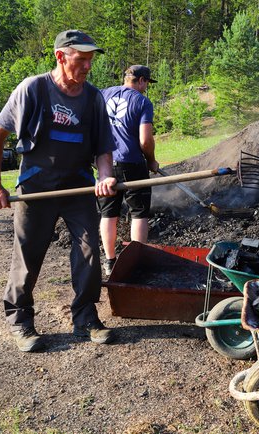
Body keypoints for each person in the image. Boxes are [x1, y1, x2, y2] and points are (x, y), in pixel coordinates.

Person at [0, 30, 118, 352]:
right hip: (36, 188)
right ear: (61, 56)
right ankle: (20, 321)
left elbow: (102, 149)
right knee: (28, 257)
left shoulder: (94, 98)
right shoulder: (33, 88)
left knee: (89, 250)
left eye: (90, 60)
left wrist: (104, 177)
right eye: (81, 60)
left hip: (78, 186)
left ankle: (85, 317)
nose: (88, 67)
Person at [99, 65, 159, 276]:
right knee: (139, 214)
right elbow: (145, 140)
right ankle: (136, 264)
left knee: (108, 213)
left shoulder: (103, 94)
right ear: (141, 80)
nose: (146, 88)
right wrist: (151, 160)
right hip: (132, 162)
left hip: (105, 164)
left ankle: (109, 262)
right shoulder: (142, 102)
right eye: (146, 84)